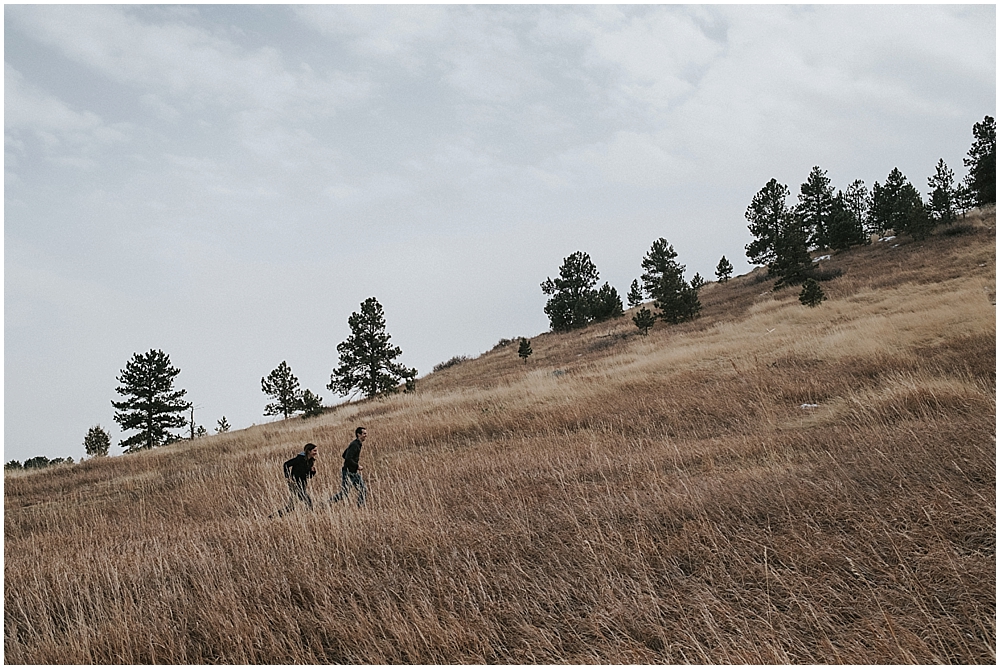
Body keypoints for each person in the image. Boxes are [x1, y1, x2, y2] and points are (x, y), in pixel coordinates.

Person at [331, 426, 367, 507]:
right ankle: (326, 504)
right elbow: (347, 458)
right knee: (344, 493)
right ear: (358, 434)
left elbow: (344, 455)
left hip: (353, 472)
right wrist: (357, 465)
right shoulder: (354, 445)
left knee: (363, 489)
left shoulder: (358, 444)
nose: (366, 435)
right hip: (348, 473)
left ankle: (360, 506)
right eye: (364, 433)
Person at [278, 442, 318, 515]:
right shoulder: (299, 459)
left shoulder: (311, 461)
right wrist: (288, 477)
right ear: (309, 451)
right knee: (308, 501)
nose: (316, 453)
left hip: (302, 484)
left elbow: (308, 476)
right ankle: (310, 516)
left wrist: (313, 472)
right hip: (294, 484)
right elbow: (286, 464)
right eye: (314, 451)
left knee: (291, 507)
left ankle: (274, 516)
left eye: (316, 451)